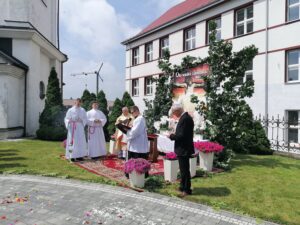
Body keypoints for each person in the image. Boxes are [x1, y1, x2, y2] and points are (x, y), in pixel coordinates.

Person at [168, 103, 194, 196]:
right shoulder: (184, 118)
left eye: (174, 112)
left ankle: (187, 189)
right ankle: (182, 186)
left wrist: (171, 136)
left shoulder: (185, 119)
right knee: (183, 170)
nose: (174, 114)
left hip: (184, 148)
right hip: (183, 148)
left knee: (185, 170)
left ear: (178, 110)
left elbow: (181, 136)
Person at [125, 106, 149, 177]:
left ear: (136, 111)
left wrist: (127, 131)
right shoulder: (137, 119)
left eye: (132, 112)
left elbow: (135, 132)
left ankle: (137, 175)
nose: (132, 114)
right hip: (136, 143)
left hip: (138, 145)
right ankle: (132, 174)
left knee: (137, 160)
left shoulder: (140, 119)